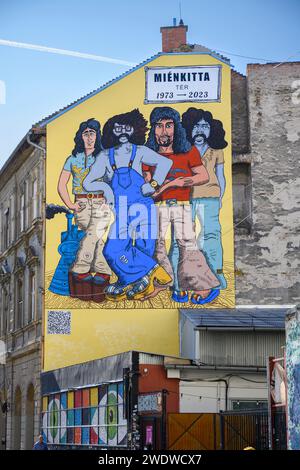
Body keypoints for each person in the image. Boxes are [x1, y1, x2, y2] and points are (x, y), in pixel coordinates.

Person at [83, 109, 172, 301]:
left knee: (143, 247)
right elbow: (88, 182)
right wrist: (106, 190)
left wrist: (153, 184)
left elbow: (164, 163)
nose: (122, 132)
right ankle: (153, 270)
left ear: (134, 129)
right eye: (117, 129)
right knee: (112, 250)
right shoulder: (105, 157)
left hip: (144, 208)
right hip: (122, 211)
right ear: (111, 132)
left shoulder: (139, 151)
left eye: (126, 127)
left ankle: (132, 283)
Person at [145, 107, 220, 304]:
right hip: (157, 206)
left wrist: (177, 183)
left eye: (168, 125)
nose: (163, 131)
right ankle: (168, 285)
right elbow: (148, 184)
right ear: (153, 130)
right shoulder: (148, 154)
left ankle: (203, 287)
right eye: (159, 126)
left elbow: (203, 176)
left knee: (187, 246)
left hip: (182, 205)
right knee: (158, 247)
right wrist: (160, 186)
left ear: (175, 128)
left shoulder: (187, 151)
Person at [57, 118, 112, 303]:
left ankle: (80, 270)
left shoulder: (104, 156)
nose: (89, 137)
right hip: (80, 203)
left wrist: (109, 199)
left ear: (98, 135)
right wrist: (70, 205)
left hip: (100, 202)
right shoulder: (73, 158)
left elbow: (112, 180)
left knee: (92, 236)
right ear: (81, 136)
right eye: (86, 133)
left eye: (93, 133)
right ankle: (103, 275)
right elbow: (61, 185)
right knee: (95, 242)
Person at [182, 108, 228, 291]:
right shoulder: (183, 149)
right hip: (186, 198)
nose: (200, 130)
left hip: (210, 197)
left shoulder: (216, 150)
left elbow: (221, 176)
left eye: (205, 126)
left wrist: (221, 196)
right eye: (196, 126)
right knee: (185, 237)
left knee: (212, 235)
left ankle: (217, 273)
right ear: (188, 128)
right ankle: (189, 275)